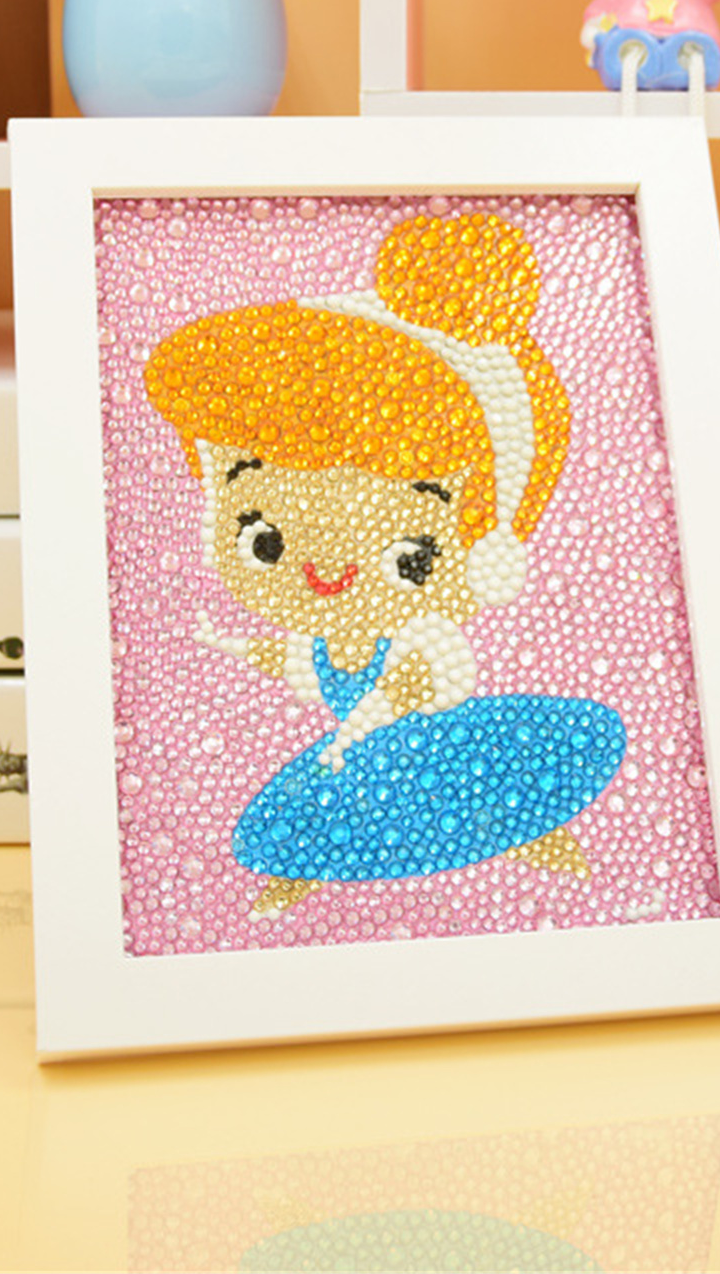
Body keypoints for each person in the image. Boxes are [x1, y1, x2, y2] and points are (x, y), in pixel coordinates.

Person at [145, 212, 627, 915]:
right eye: (264, 539)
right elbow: (280, 659)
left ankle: (539, 851)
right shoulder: (320, 644)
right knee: (307, 817)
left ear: (480, 552)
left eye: (412, 554)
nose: (327, 565)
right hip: (362, 757)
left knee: (490, 800)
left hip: (435, 752)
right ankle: (296, 885)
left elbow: (404, 688)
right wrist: (222, 642)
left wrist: (357, 726)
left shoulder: (421, 638)